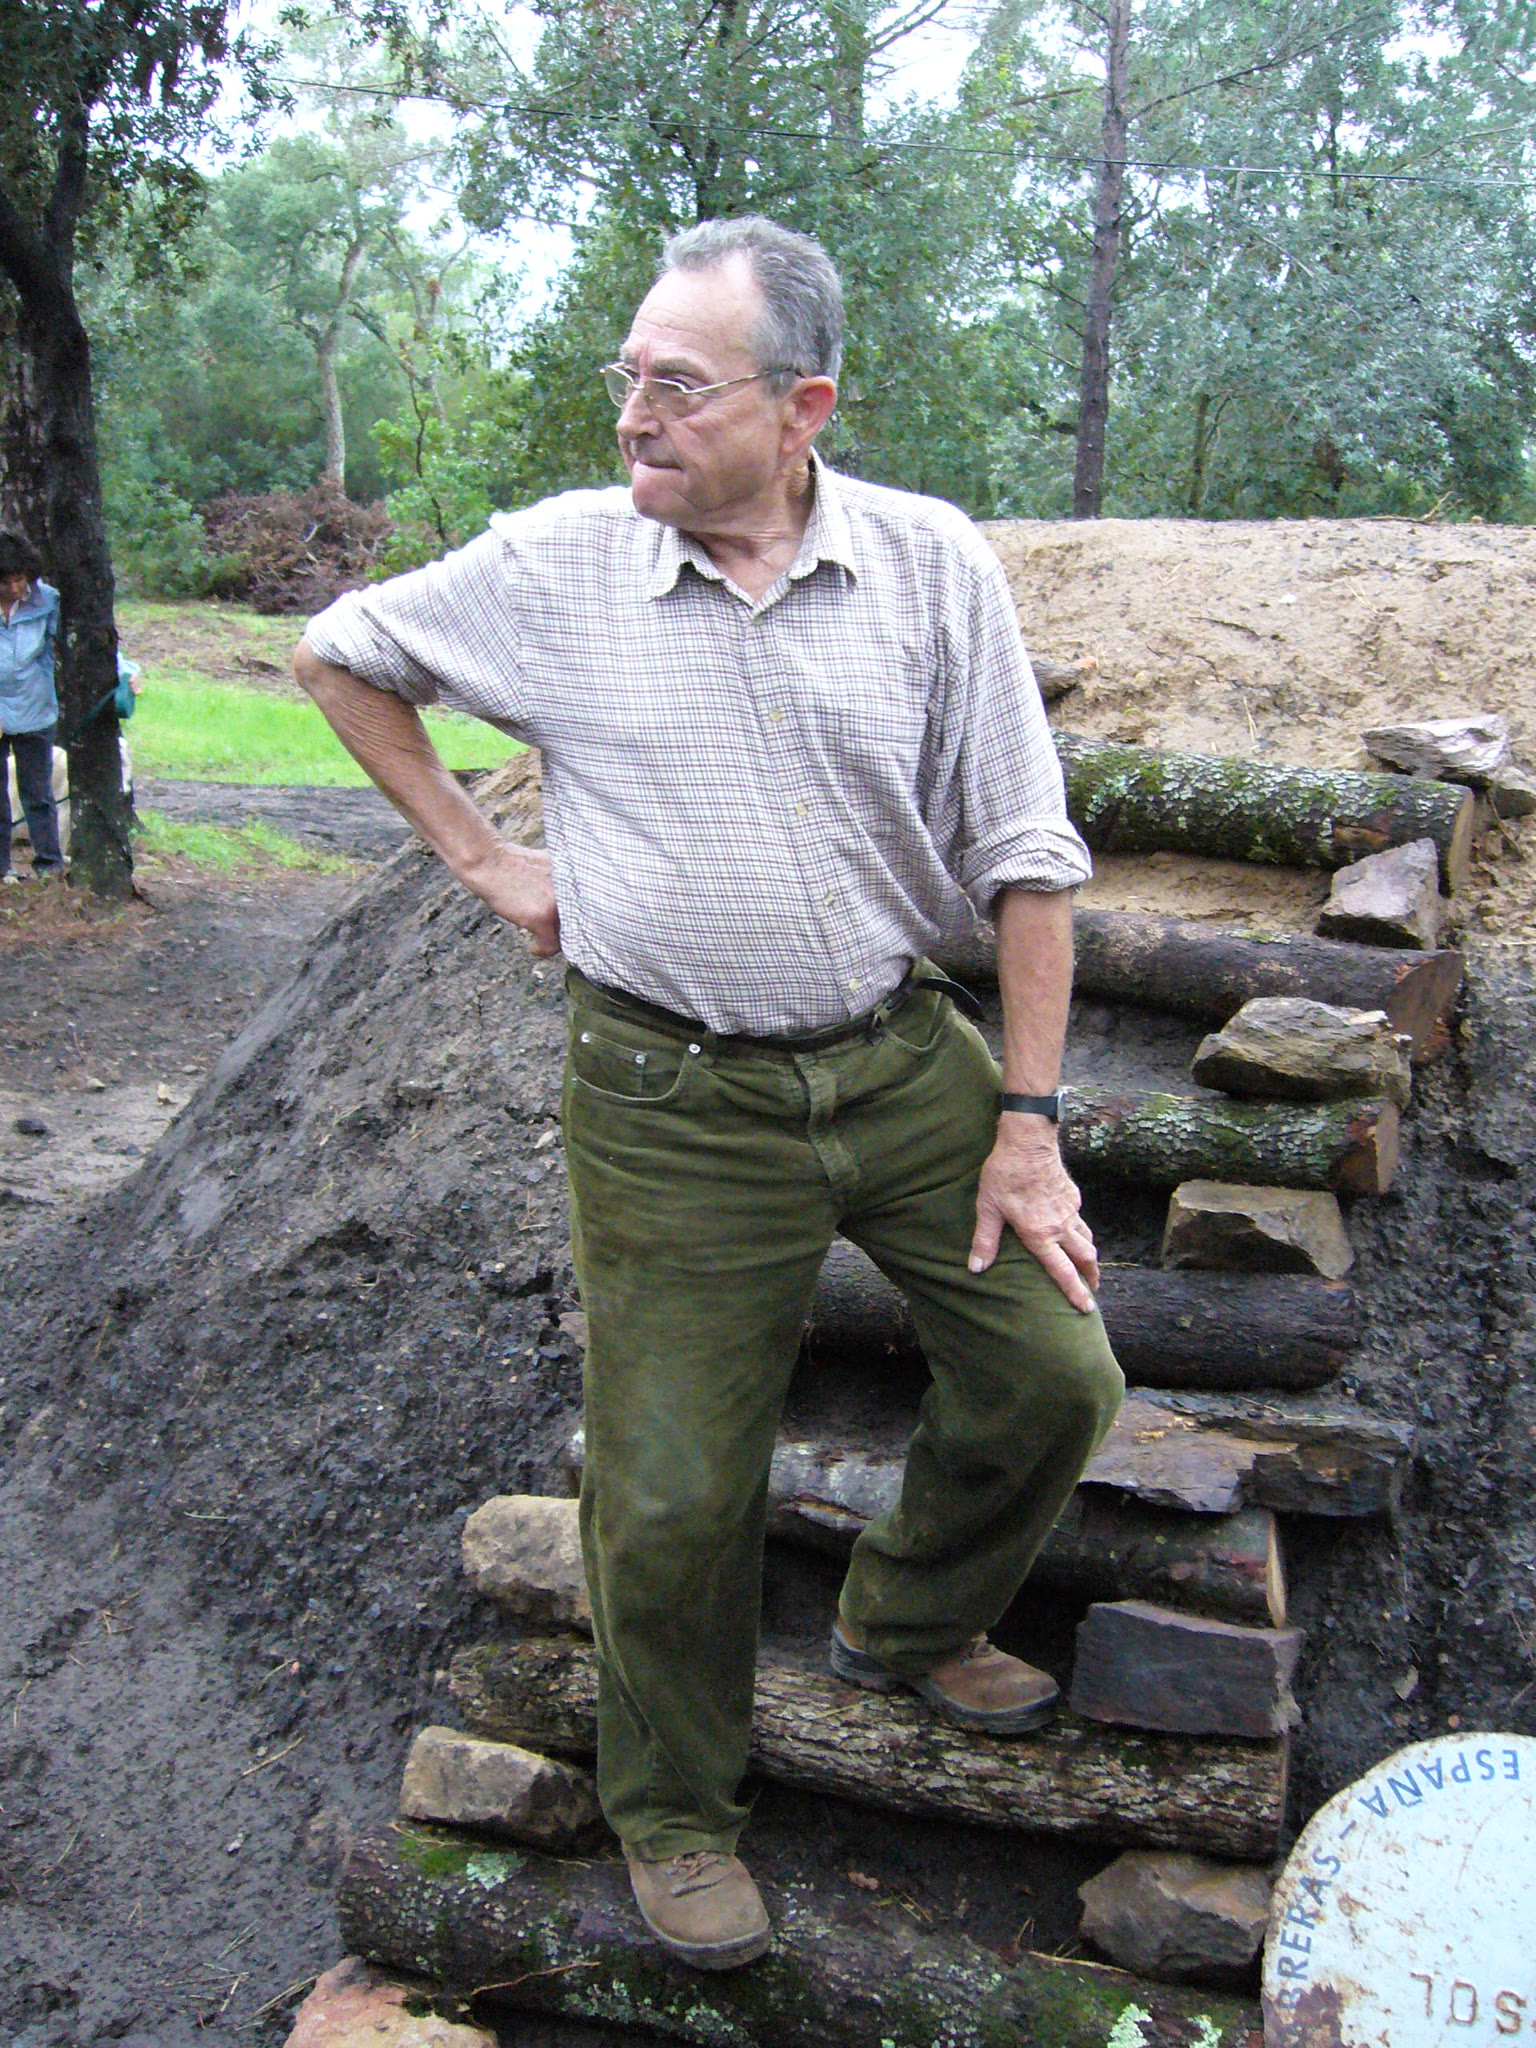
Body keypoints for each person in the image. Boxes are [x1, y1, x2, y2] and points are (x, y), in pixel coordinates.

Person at [295, 216, 1123, 1972]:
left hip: (900, 1056)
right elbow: (337, 653)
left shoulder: (929, 563)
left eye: (679, 384)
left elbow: (1028, 853)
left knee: (1058, 1373)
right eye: (628, 377)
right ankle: (674, 1808)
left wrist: (1028, 1124)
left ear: (802, 406)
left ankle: (907, 1619)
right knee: (673, 1489)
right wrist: (486, 858)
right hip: (668, 1094)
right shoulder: (559, 566)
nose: (633, 415)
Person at [0, 531, 64, 884]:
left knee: (38, 793)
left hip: (35, 709)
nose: (13, 588)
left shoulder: (48, 601)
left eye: (19, 579)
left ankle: (48, 866)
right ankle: (2, 869)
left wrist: (127, 672)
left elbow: (74, 643)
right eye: (4, 582)